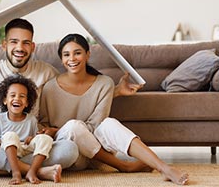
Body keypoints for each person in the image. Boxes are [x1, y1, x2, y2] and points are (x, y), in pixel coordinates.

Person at [0, 18, 142, 180]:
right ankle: (34, 171)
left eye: (26, 42)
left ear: (33, 46)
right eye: (14, 42)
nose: (20, 47)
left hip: (31, 148)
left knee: (69, 150)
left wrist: (114, 91)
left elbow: (76, 92)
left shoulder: (46, 73)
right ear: (4, 45)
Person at [39, 33, 189, 185]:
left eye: (77, 53)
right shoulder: (50, 87)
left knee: (108, 123)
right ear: (61, 59)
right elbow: (43, 124)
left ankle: (164, 168)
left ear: (87, 55)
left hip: (97, 154)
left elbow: (97, 125)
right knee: (73, 126)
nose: (72, 59)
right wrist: (53, 131)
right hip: (71, 153)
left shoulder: (104, 83)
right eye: (66, 55)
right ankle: (124, 166)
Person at [0, 74, 61, 184]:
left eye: (22, 96)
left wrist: (32, 138)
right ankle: (16, 172)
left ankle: (32, 171)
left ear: (27, 103)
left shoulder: (31, 120)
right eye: (13, 95)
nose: (17, 99)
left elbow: (36, 139)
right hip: (9, 149)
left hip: (26, 150)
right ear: (5, 100)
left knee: (45, 138)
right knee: (10, 135)